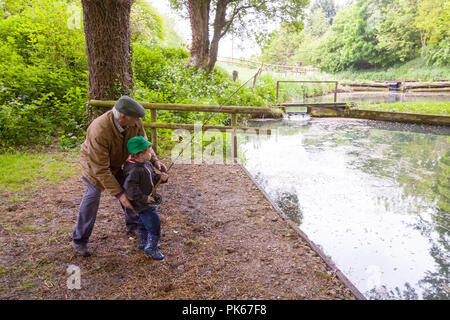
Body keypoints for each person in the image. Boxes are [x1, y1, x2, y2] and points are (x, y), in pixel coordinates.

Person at [72, 95, 167, 257]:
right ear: (123, 117)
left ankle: (134, 224)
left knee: (131, 189)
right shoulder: (99, 130)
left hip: (118, 163)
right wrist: (119, 194)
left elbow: (142, 141)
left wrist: (155, 161)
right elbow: (101, 169)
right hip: (94, 165)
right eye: (136, 118)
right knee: (93, 196)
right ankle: (80, 240)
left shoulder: (134, 121)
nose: (138, 121)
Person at [123, 136, 168, 260]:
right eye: (148, 151)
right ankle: (152, 247)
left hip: (146, 200)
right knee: (154, 223)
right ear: (138, 154)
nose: (151, 153)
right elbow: (130, 189)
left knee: (142, 222)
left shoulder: (146, 163)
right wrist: (144, 198)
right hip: (142, 203)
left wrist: (161, 178)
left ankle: (143, 242)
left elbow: (152, 177)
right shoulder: (133, 170)